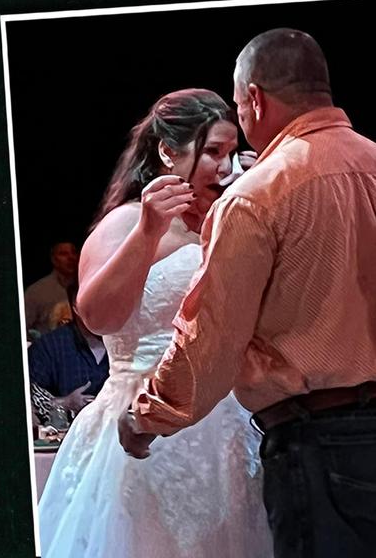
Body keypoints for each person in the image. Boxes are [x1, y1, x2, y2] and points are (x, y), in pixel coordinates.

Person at [119, 29, 376, 557]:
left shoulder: (259, 194)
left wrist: (146, 415)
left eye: (239, 106)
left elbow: (212, 337)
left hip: (332, 441)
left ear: (254, 98)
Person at [36, 88, 272, 557]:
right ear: (168, 151)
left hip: (223, 426)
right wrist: (148, 233)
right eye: (212, 153)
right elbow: (97, 316)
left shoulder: (227, 220)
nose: (225, 169)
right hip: (138, 423)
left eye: (231, 154)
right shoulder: (124, 224)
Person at [24, 240, 79, 338]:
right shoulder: (36, 291)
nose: (71, 257)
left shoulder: (86, 288)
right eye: (63, 254)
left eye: (74, 252)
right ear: (54, 259)